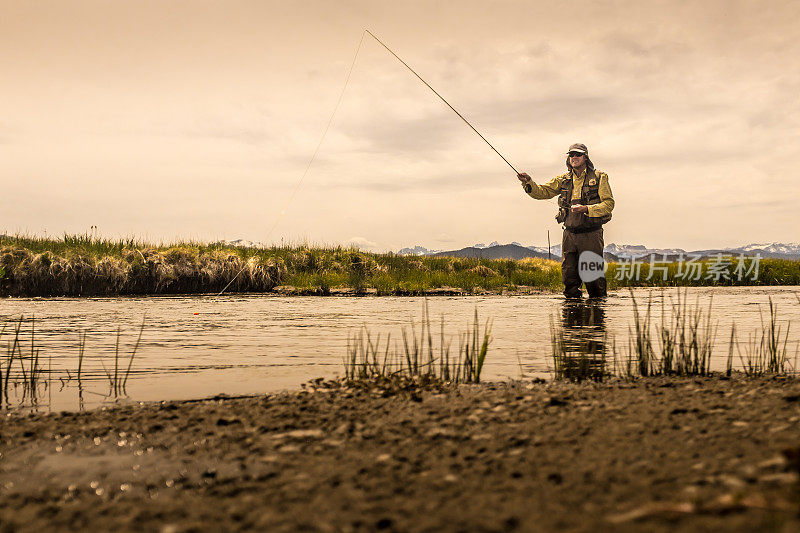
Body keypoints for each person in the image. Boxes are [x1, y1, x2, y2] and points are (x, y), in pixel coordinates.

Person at [517, 143, 614, 298]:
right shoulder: (563, 179)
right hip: (569, 235)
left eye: (577, 154)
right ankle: (571, 318)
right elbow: (542, 192)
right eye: (571, 155)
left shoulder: (599, 177)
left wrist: (586, 209)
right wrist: (528, 182)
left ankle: (597, 317)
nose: (574, 157)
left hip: (591, 234)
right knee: (569, 278)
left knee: (593, 279)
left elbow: (609, 204)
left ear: (585, 157)